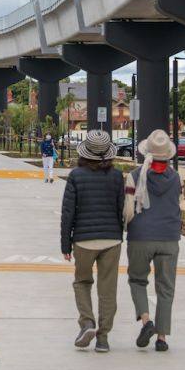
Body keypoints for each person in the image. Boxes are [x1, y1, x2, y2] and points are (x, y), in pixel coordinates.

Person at [59, 130, 124, 353]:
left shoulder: (76, 176)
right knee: (108, 290)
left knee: (82, 282)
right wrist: (118, 234)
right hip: (111, 240)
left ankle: (87, 322)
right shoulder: (117, 176)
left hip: (84, 240)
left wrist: (65, 245)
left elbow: (68, 212)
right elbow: (120, 210)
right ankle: (103, 338)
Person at [124, 129, 182, 353]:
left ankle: (147, 321)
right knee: (166, 288)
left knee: (137, 280)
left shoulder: (134, 176)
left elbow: (129, 209)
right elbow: (179, 203)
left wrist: (127, 226)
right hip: (169, 237)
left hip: (140, 236)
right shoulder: (177, 177)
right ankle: (162, 337)